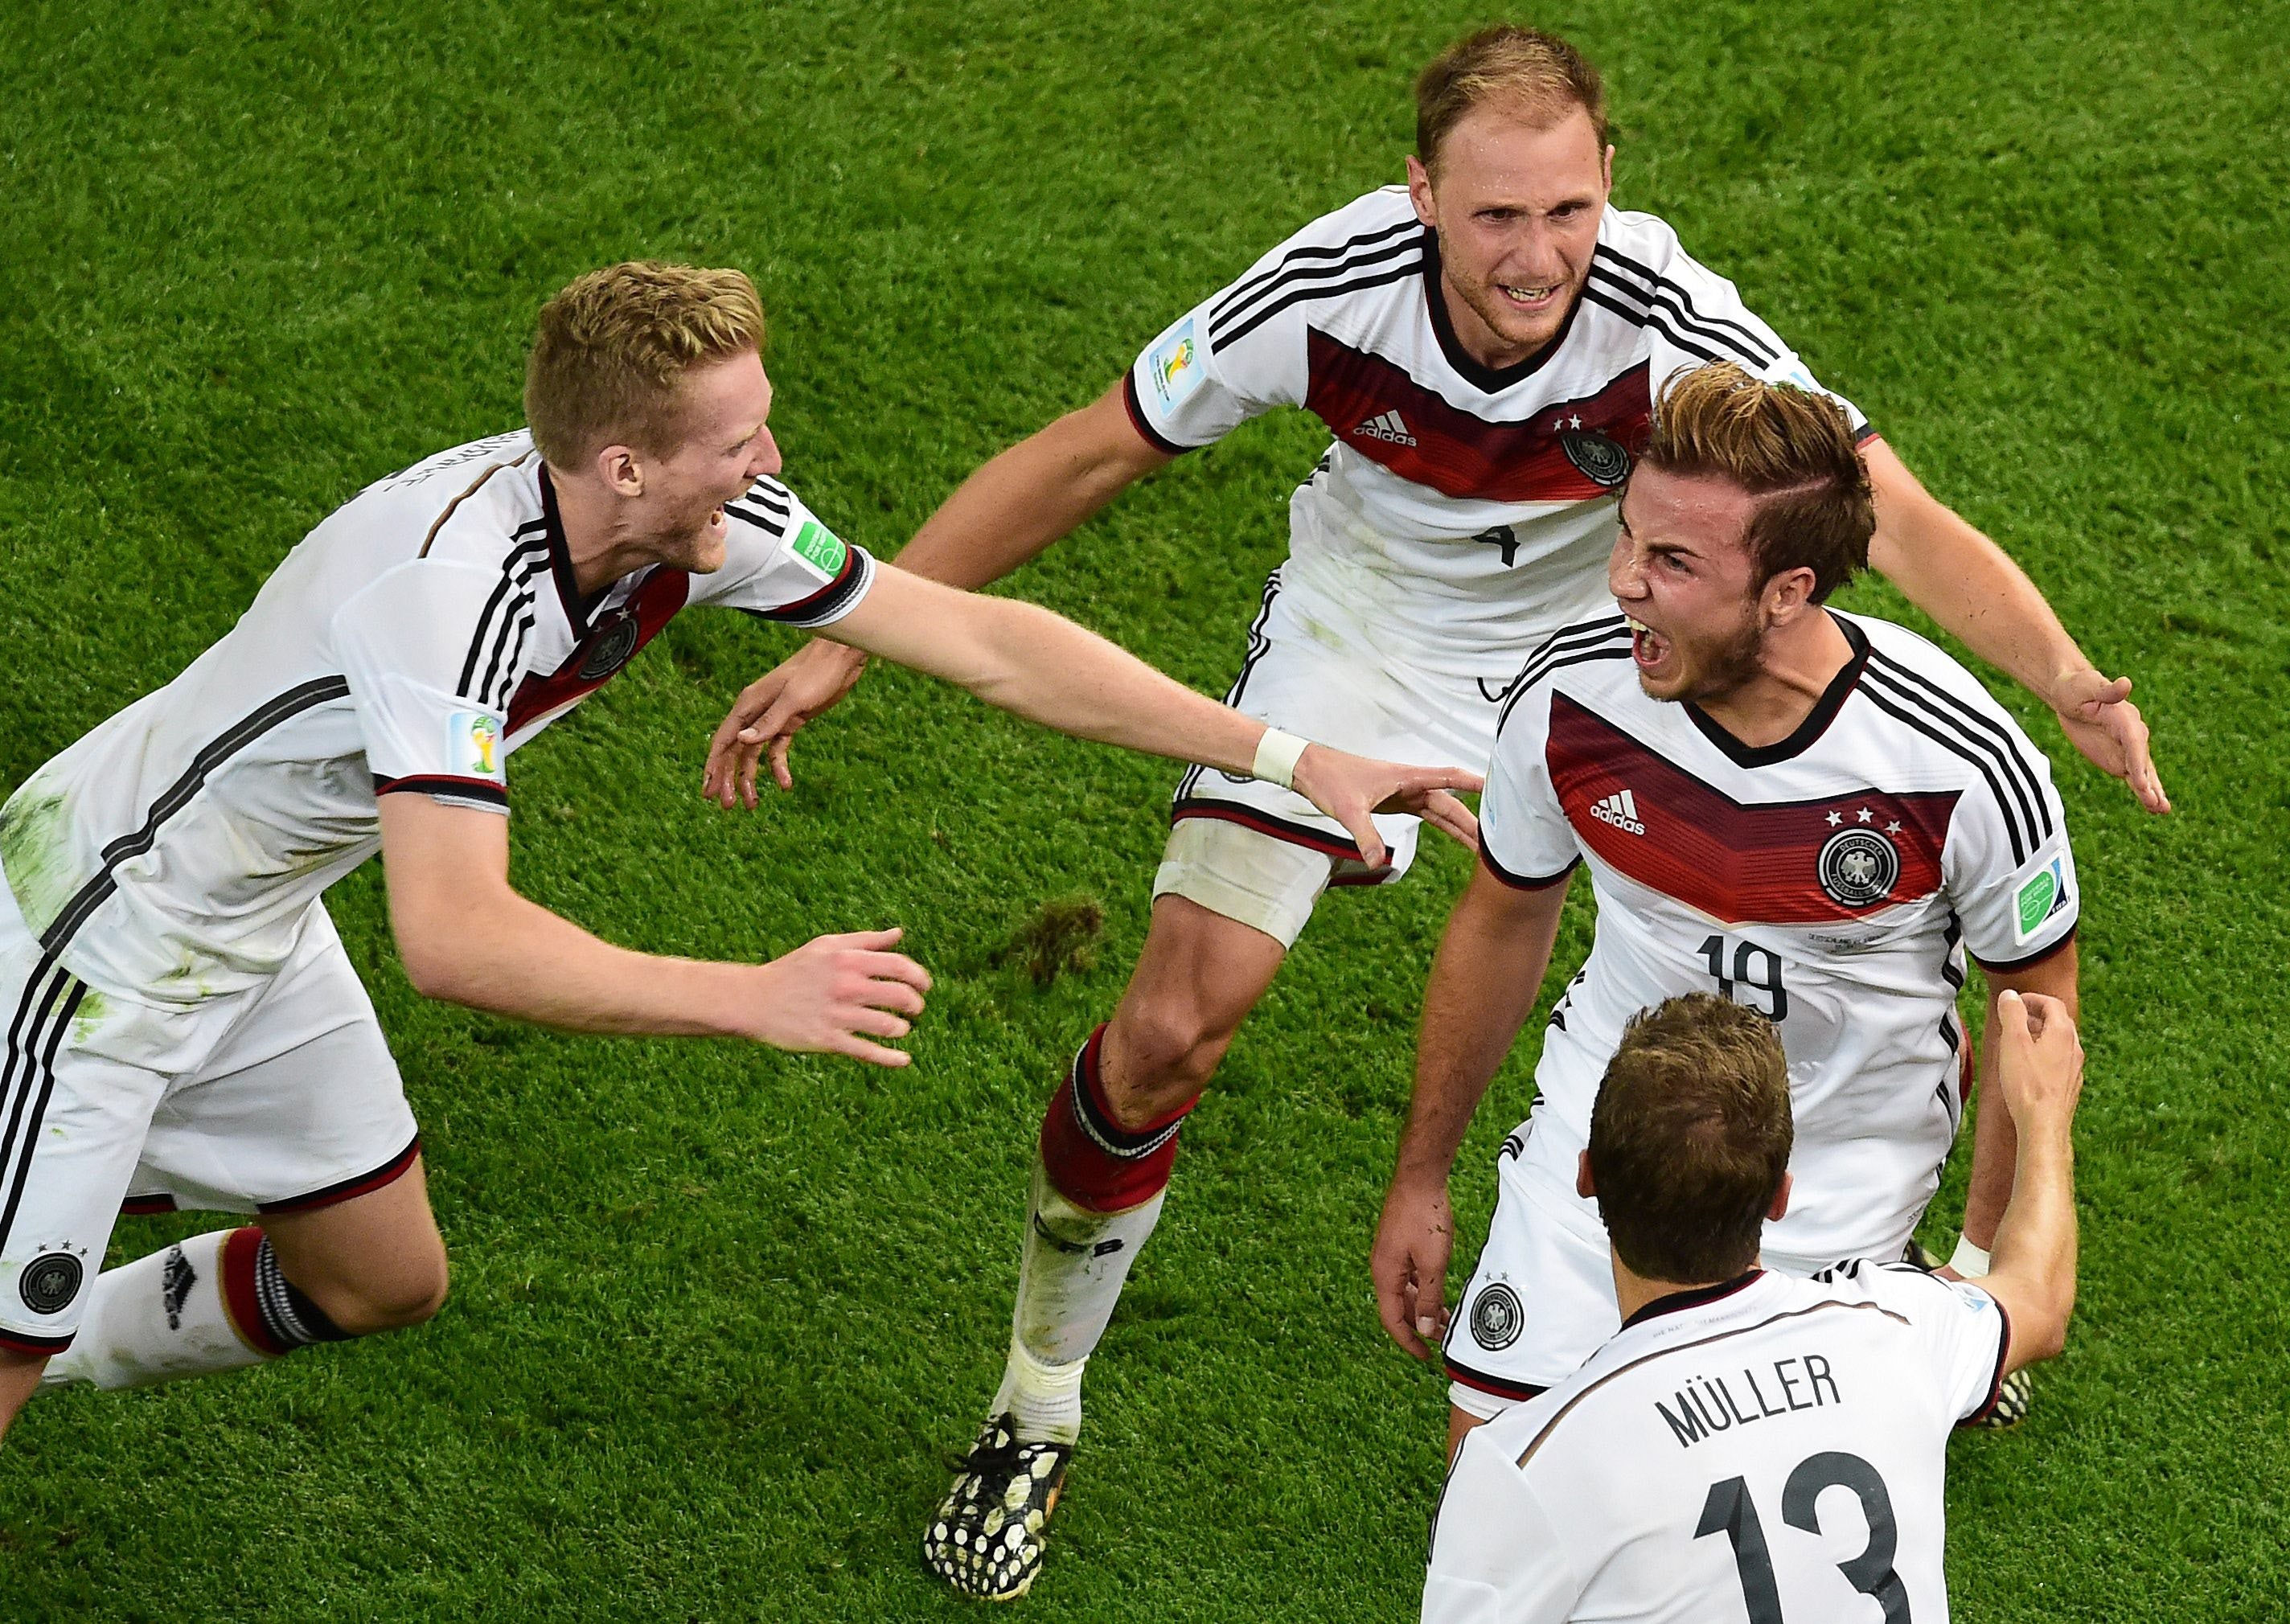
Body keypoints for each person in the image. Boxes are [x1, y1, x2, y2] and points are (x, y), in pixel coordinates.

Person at [704, 26, 2157, 1599]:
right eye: (1490, 217)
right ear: (1417, 196)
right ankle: (1033, 1400)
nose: (1535, 256)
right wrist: (860, 626)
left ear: (1608, 182)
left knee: (1733, 947)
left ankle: (1802, 1306)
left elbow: (1885, 510)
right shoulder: (1326, 289)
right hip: (1367, 637)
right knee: (1171, 1024)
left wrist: (2065, 674)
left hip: (1612, 640)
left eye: (1566, 211)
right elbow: (1090, 450)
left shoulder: (1669, 315)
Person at [0, 261, 1476, 1435]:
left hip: (246, 929)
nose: (769, 460)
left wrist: (1289, 756)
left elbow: (979, 644)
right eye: (738, 440)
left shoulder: (685, 524)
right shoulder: (443, 601)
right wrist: (749, 996)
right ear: (625, 463)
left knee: (376, 1276)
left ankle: (46, 1327)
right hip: (88, 955)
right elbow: (455, 941)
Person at [1373, 363, 2080, 1459]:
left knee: (1740, 1534)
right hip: (1603, 1150)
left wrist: (1980, 1271)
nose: (1622, 583)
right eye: (1625, 538)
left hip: (1838, 1180)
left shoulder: (1957, 763)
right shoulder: (1569, 700)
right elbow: (1503, 919)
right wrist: (1421, 1176)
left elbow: (2035, 1025)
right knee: (1496, 1487)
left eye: (1672, 562)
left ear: (1788, 590)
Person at [1421, 986, 2082, 1622]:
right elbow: (2039, 1297)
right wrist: (2044, 1115)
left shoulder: (1521, 1467)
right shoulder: (1899, 1328)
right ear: (1780, 1198)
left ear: (1587, 1177)